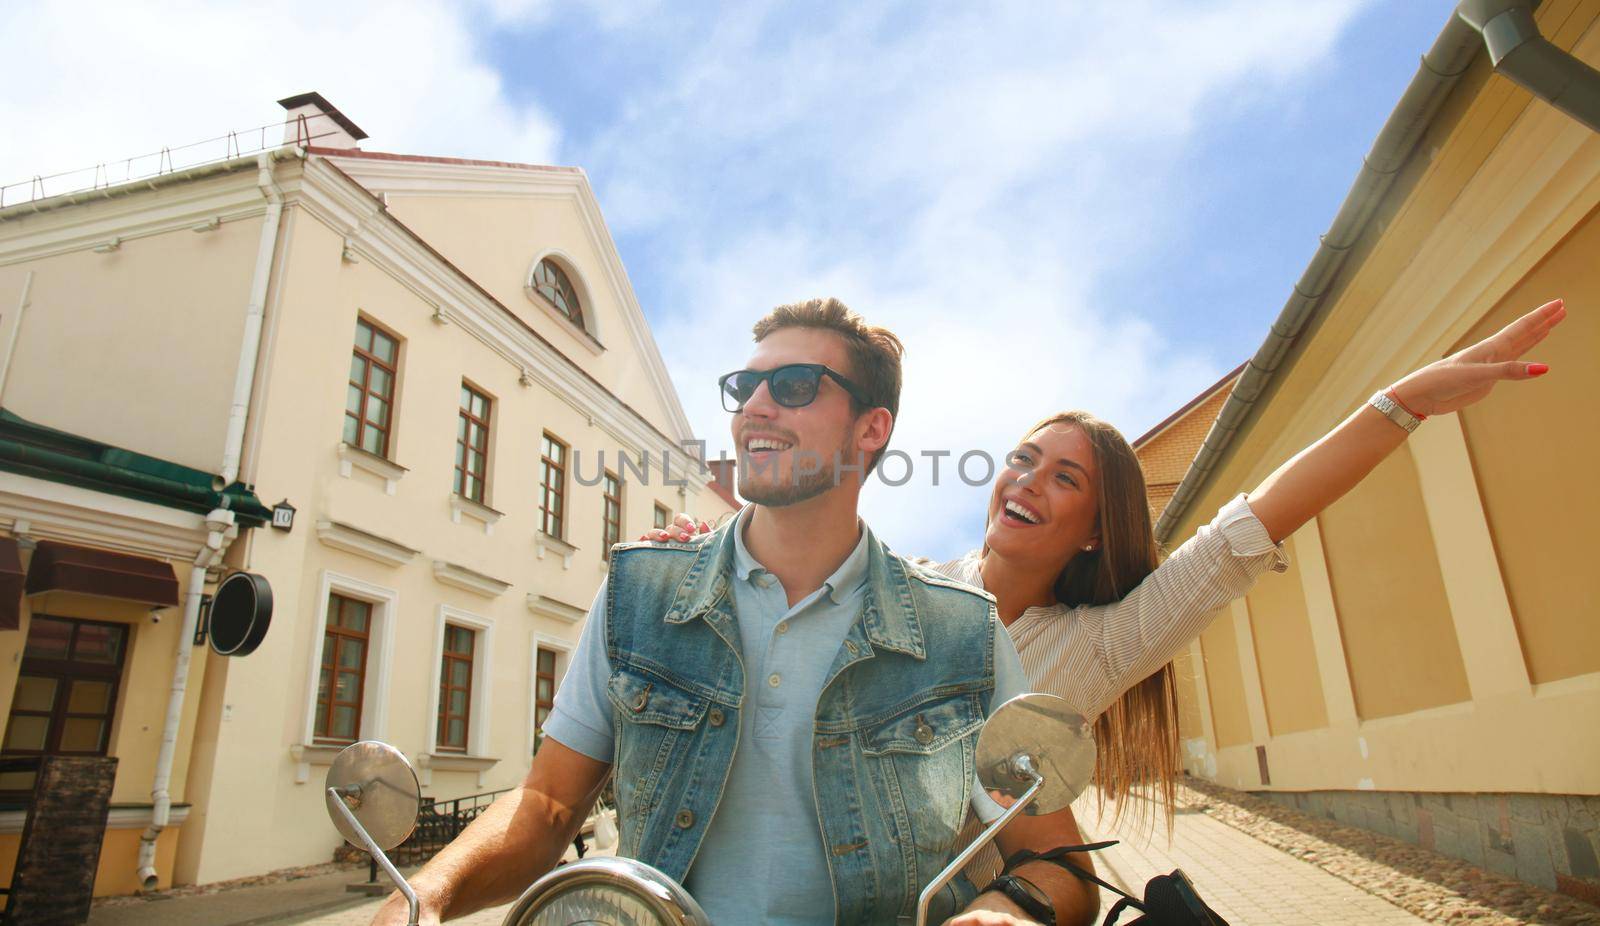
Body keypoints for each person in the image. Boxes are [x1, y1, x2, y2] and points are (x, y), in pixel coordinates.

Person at [655, 298, 1567, 877]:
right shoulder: (910, 581)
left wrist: (1401, 402)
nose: (1025, 483)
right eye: (1022, 460)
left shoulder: (1103, 645)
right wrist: (704, 549)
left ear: (1096, 525)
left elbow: (1247, 529)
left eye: (1063, 478)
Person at [370, 298, 1100, 926]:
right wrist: (423, 896)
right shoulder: (639, 592)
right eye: (745, 387)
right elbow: (549, 808)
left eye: (792, 385)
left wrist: (1008, 911)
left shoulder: (963, 634)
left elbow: (1055, 862)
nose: (754, 406)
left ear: (870, 429)